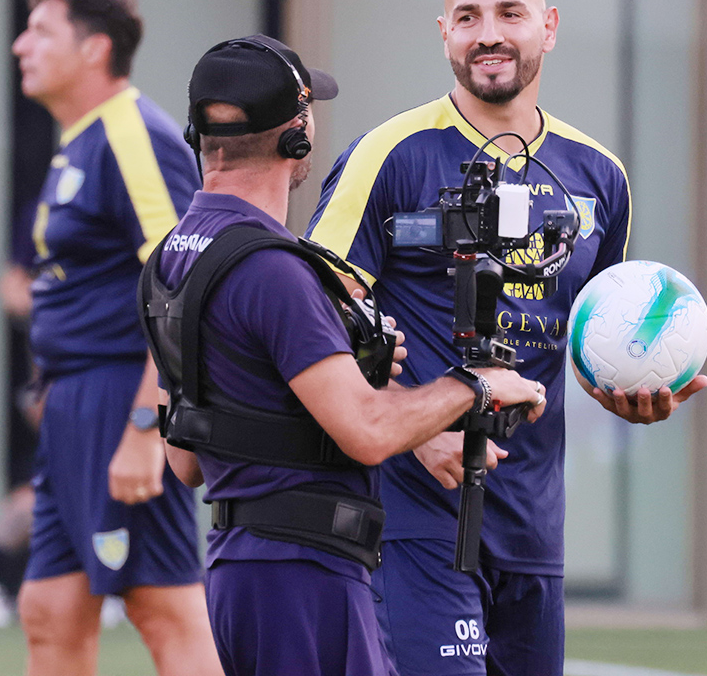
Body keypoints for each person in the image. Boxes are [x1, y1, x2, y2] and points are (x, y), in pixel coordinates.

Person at [306, 0, 707, 676]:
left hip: (532, 525)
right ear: (444, 34)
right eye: (468, 17)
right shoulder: (389, 154)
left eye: (510, 14)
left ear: (548, 27)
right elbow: (313, 319)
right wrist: (409, 428)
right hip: (413, 515)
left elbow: (593, 338)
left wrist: (628, 389)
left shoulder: (601, 177)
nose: (488, 34)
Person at [144, 35, 547, 676]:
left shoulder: (171, 257)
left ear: (199, 136)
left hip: (236, 569)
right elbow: (366, 431)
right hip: (305, 577)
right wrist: (478, 385)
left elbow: (187, 460)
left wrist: (329, 377)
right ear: (298, 135)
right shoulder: (274, 270)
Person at [10, 0, 221, 676]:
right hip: (73, 406)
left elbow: (185, 282)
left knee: (164, 610)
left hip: (121, 400)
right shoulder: (82, 140)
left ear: (95, 48)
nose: (21, 46)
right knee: (49, 608)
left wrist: (143, 426)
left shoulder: (133, 135)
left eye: (40, 31)